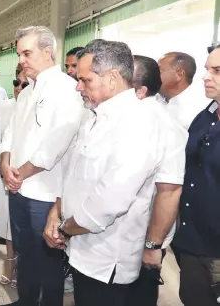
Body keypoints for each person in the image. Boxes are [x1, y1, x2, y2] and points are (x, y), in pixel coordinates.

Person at [47, 39, 165, 306]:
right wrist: (57, 211)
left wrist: (65, 230)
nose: (78, 87)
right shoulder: (94, 115)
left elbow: (109, 202)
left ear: (113, 78)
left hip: (105, 259)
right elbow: (73, 173)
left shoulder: (138, 124)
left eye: (85, 80)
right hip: (80, 246)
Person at [0, 26, 84, 306]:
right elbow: (10, 132)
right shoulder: (26, 92)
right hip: (18, 189)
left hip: (46, 195)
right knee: (25, 253)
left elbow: (56, 144)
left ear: (47, 52)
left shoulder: (67, 89)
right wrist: (4, 163)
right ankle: (26, 300)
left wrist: (18, 173)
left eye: (27, 53)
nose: (21, 59)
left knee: (48, 261)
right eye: (19, 54)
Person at [126, 55, 187, 306]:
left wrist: (153, 245)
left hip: (146, 236)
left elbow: (169, 191)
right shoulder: (126, 120)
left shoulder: (164, 125)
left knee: (139, 294)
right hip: (125, 235)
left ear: (139, 91)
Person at [171, 46, 220, 306]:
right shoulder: (206, 116)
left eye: (217, 71)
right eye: (207, 69)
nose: (206, 77)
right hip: (192, 242)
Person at [0, 64, 29, 288]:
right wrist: (1, 164)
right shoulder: (5, 107)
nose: (19, 88)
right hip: (4, 172)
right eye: (16, 83)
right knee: (8, 224)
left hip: (29, 176)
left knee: (24, 227)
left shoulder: (38, 107)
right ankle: (9, 265)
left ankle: (24, 269)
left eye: (24, 84)